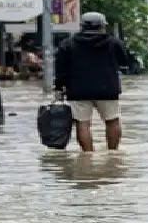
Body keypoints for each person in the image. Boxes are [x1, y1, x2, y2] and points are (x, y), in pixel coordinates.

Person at [54, 12, 129, 152]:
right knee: (112, 120)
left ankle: (88, 155)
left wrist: (59, 88)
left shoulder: (68, 44)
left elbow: (61, 70)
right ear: (102, 26)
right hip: (107, 89)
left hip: (78, 90)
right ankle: (113, 153)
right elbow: (125, 62)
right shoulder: (114, 43)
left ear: (82, 26)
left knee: (83, 123)